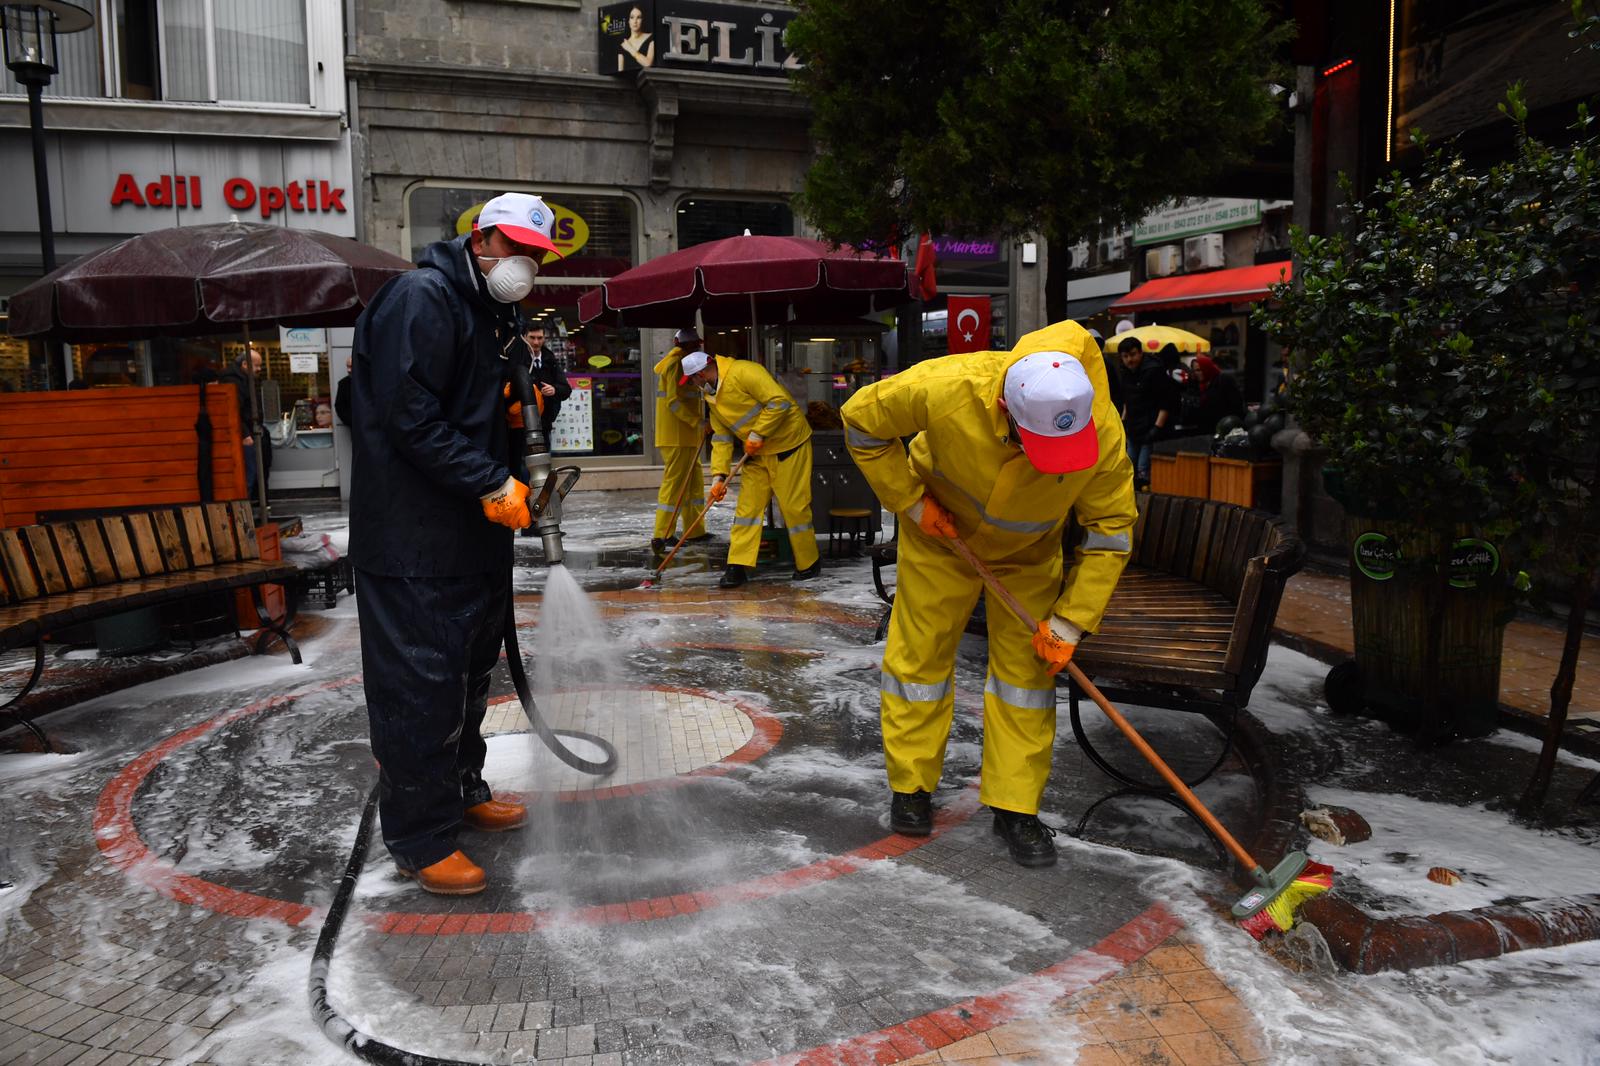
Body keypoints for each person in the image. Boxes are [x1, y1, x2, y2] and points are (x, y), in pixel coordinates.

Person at [841, 320, 1136, 867]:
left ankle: (1015, 808)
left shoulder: (1102, 428)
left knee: (1026, 679)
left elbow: (1110, 531)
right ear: (1006, 410)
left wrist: (1070, 623)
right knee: (918, 662)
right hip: (940, 539)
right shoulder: (946, 386)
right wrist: (909, 502)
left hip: (1027, 557)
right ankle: (911, 787)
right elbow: (860, 421)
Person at [349, 191, 563, 896]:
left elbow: (467, 406)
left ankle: (463, 787)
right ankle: (419, 837)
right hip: (414, 540)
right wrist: (489, 480)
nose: (525, 265)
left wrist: (515, 415)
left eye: (536, 256)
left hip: (470, 537)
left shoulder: (491, 310)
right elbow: (408, 416)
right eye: (516, 250)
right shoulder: (423, 297)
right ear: (480, 242)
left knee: (468, 679)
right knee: (420, 688)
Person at [680, 350, 820, 587]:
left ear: (701, 373)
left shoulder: (745, 372)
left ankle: (809, 562)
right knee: (746, 512)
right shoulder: (711, 397)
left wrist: (758, 432)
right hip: (756, 454)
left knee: (794, 508)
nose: (693, 385)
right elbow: (722, 438)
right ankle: (737, 566)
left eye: (693, 379)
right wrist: (718, 477)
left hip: (789, 445)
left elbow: (779, 401)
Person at [650, 327, 709, 554]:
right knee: (674, 485)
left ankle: (695, 530)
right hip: (677, 435)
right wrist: (698, 422)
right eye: (692, 344)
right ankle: (662, 534)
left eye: (696, 344)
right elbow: (673, 403)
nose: (696, 348)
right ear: (681, 345)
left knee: (693, 484)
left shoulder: (685, 364)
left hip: (686, 435)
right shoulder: (675, 365)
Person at [1115, 336, 1176, 490]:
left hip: (1150, 427)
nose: (1130, 360)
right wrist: (1123, 421)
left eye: (1133, 354)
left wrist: (1157, 428)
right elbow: (1127, 401)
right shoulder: (1125, 373)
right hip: (1134, 428)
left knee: (1143, 470)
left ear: (1141, 353)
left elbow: (1166, 401)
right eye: (1125, 356)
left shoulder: (1153, 370)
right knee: (1128, 467)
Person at [220, 346, 271, 500]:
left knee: (254, 470)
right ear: (244, 365)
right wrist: (245, 433)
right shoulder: (234, 382)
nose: (259, 369)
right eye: (256, 365)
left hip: (247, 431)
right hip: (244, 434)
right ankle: (245, 508)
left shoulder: (240, 379)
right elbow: (235, 409)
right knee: (249, 472)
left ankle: (253, 502)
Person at [1189, 353, 1245, 436]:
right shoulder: (1198, 385)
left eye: (1199, 370)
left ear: (1206, 368)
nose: (1196, 373)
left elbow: (1236, 405)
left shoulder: (1223, 380)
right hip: (1205, 430)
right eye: (1195, 371)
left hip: (1225, 428)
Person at [617, 5, 654, 71]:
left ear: (642, 20)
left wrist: (630, 48)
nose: (635, 21)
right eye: (632, 17)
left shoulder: (651, 38)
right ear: (628, 21)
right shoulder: (623, 45)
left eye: (638, 17)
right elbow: (620, 72)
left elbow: (648, 63)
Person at [334, 357, 353, 426]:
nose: (348, 370)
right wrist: (351, 421)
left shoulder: (370, 382)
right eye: (347, 366)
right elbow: (339, 406)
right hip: (354, 427)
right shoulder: (343, 383)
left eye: (351, 366)